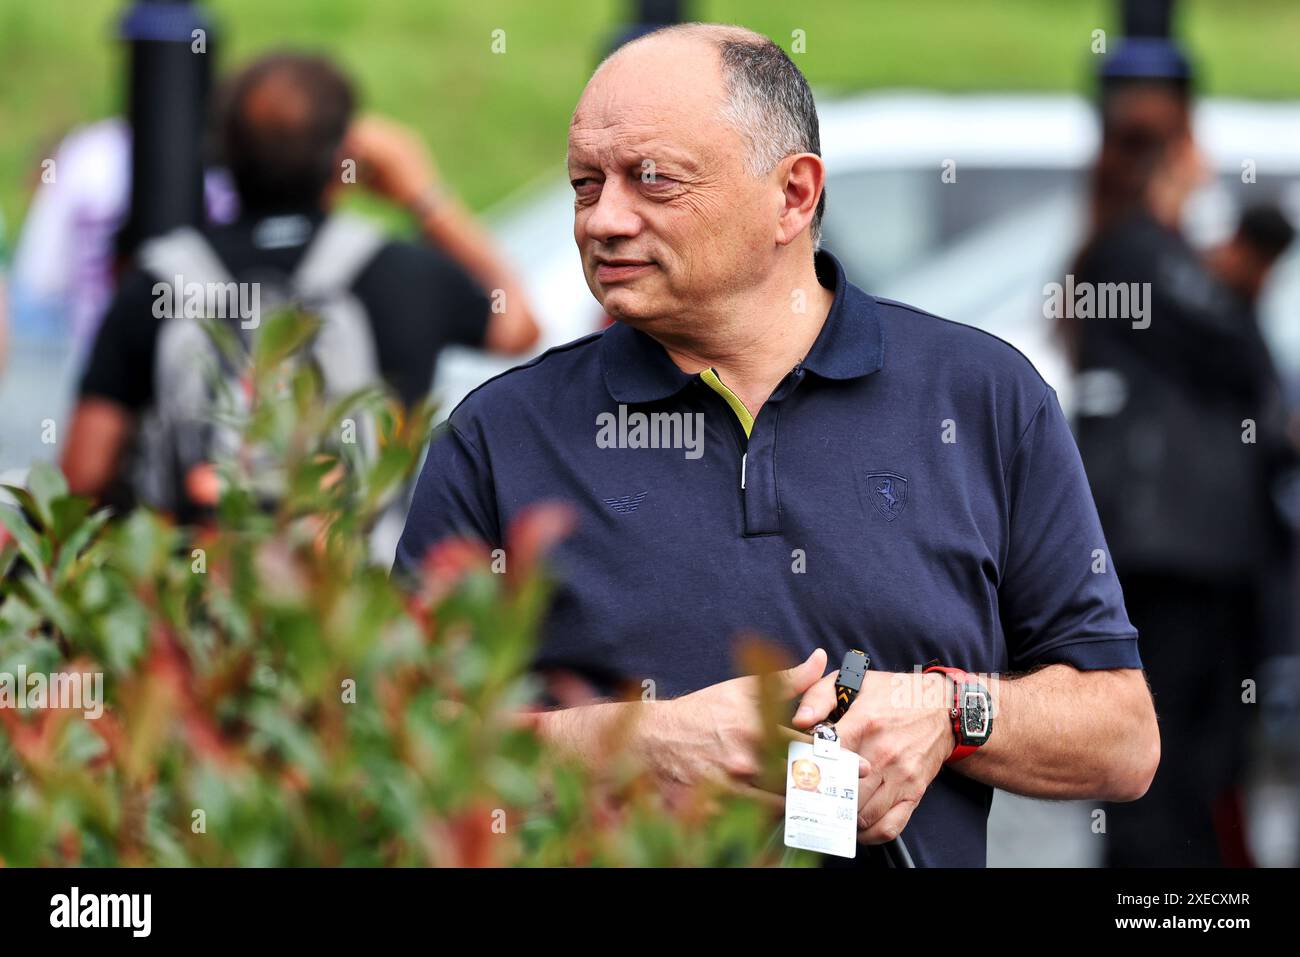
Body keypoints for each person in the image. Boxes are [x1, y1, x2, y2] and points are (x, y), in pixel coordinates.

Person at [394, 23, 1159, 868]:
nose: (604, 219)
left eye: (652, 179)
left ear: (793, 195)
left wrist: (951, 713)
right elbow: (394, 756)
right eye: (585, 184)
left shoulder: (983, 397)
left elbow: (1123, 737)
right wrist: (644, 741)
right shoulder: (498, 436)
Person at [62, 52, 538, 517]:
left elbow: (83, 473)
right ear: (344, 155)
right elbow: (520, 327)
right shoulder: (404, 272)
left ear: (222, 151)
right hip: (351, 591)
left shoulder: (157, 280)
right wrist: (423, 195)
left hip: (189, 582)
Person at [1069, 79, 1295, 865]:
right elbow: (1234, 348)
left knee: (1205, 753)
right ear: (1173, 153)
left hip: (1200, 551)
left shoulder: (1157, 253)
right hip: (1170, 553)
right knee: (1163, 756)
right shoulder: (1139, 252)